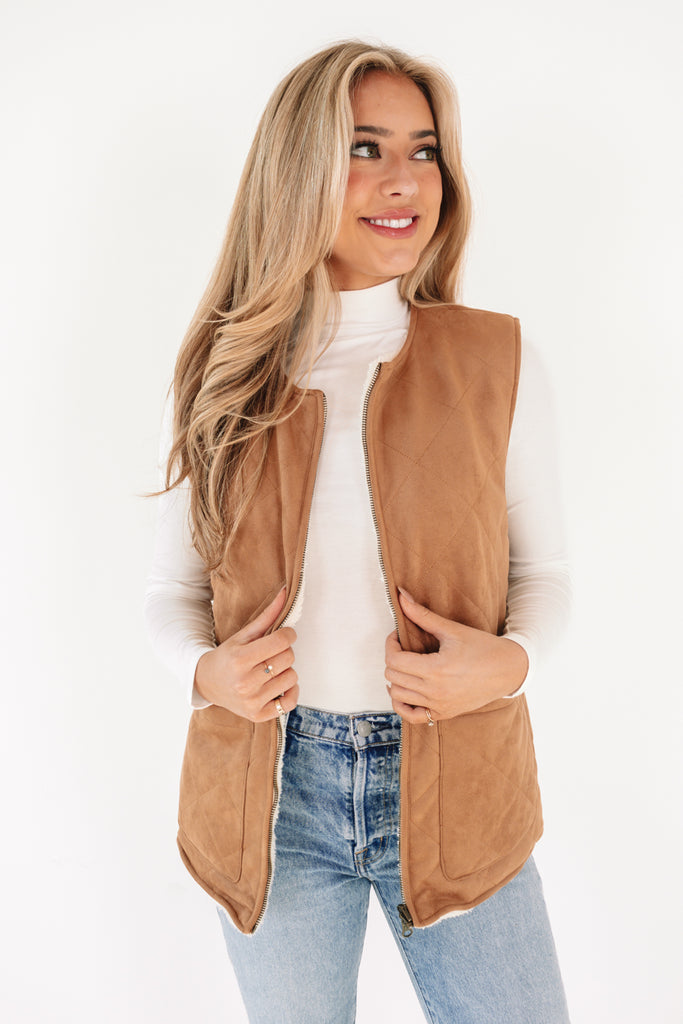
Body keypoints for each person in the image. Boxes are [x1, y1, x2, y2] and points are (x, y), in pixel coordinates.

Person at [145, 40, 571, 1024]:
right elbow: (171, 593)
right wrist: (207, 673)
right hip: (270, 795)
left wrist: (506, 665)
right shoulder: (224, 370)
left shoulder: (494, 359)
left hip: (457, 780)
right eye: (363, 148)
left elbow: (544, 572)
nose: (403, 180)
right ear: (298, 169)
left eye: (423, 151)